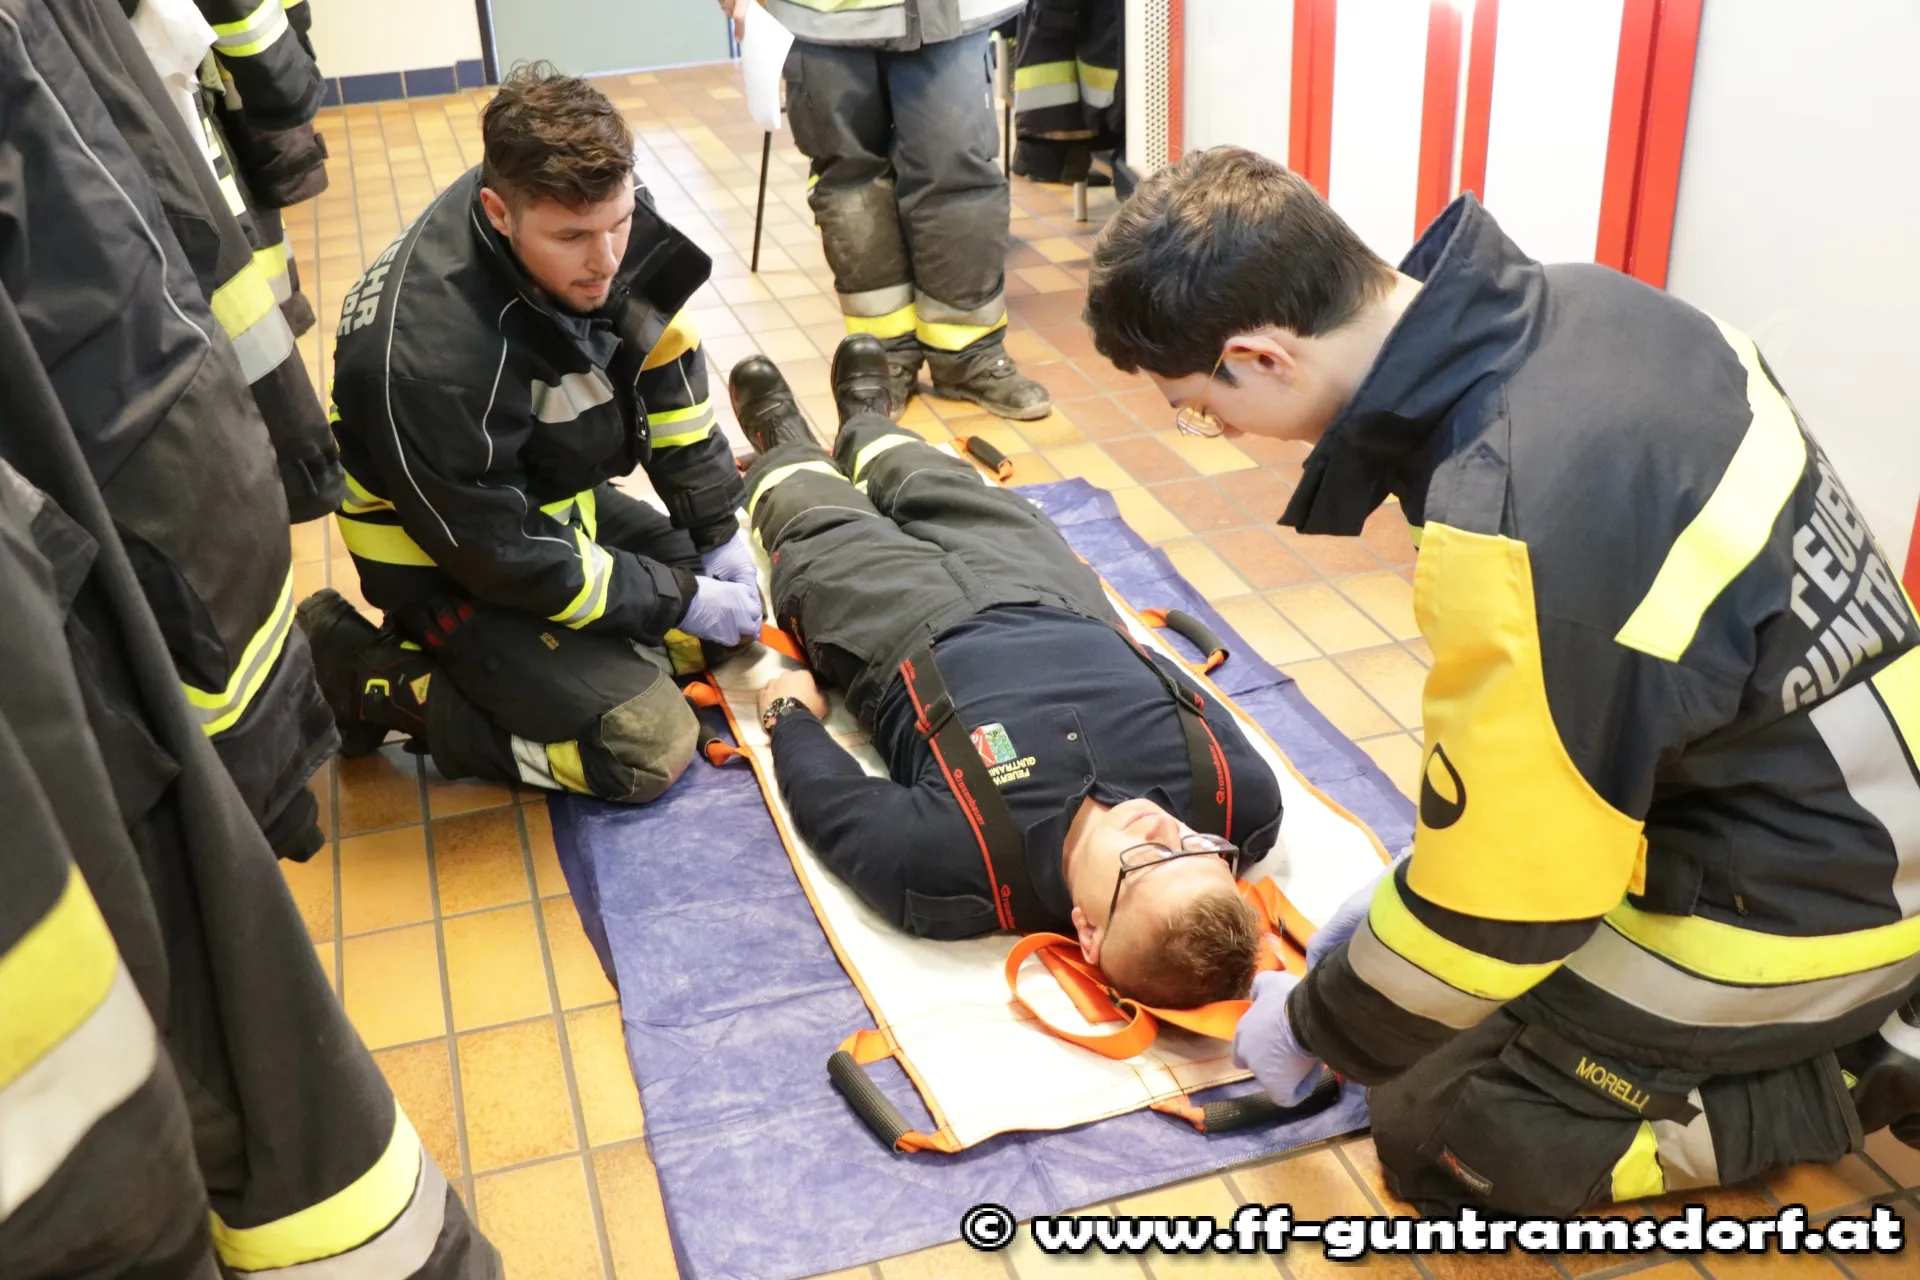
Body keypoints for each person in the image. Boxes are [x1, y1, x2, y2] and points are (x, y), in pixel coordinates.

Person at [1082, 146, 1920, 1215]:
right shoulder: (1605, 304)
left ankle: (1857, 1064)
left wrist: (1314, 1022)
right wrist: (1406, 905)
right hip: (1855, 798)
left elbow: (1504, 911)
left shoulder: (1511, 522)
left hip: (1810, 906)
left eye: (1200, 407)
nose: (1218, 433)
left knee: (1440, 1121)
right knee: (1425, 970)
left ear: (1259, 356)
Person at [733, 332, 1283, 1007]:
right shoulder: (1240, 799)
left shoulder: (952, 871)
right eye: (1199, 848)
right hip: (1051, 593)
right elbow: (1181, 690)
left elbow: (831, 804)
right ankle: (868, 424)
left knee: (812, 515)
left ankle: (783, 445)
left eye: (1145, 864)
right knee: (933, 478)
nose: (1163, 829)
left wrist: (788, 714)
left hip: (892, 627)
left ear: (1087, 932)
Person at [297, 65, 761, 805]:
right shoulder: (429, 360)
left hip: (546, 499)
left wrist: (715, 530)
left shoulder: (597, 207)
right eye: (573, 237)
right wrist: (675, 598)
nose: (607, 260)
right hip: (449, 561)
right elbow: (504, 554)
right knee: (643, 743)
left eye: (619, 223)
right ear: (499, 212)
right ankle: (364, 672)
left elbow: (667, 374)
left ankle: (571, 656)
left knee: (737, 612)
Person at [719, 0, 1052, 422]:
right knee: (851, 184)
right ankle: (880, 357)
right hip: (819, 15)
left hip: (948, 13)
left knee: (959, 172)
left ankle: (969, 354)